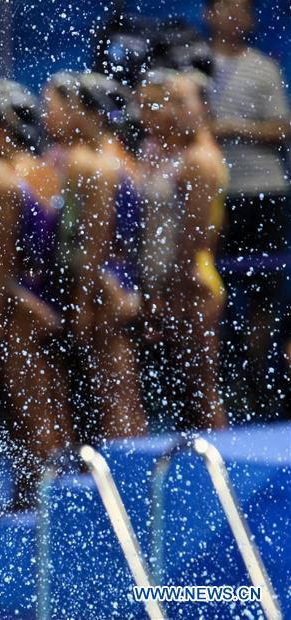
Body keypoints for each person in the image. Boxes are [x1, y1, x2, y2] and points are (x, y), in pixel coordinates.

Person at [0, 79, 73, 506]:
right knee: (53, 397)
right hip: (49, 296)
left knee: (26, 402)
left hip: (18, 304)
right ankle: (62, 491)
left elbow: (0, 265)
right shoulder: (51, 169)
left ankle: (38, 498)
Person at [43, 71, 147, 442]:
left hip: (107, 283)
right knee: (118, 385)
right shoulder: (121, 157)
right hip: (120, 279)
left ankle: (125, 476)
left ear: (83, 110)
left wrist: (85, 299)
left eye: (56, 107)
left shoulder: (97, 164)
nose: (48, 116)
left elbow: (95, 244)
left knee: (115, 389)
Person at [204, 0, 290, 416]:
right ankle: (224, 379)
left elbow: (282, 129)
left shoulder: (263, 68)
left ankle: (258, 377)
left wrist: (234, 128)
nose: (238, 17)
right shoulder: (193, 63)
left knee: (263, 293)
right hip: (210, 194)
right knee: (210, 288)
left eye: (244, 9)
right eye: (228, 8)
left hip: (261, 192)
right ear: (209, 13)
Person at [137, 69, 230, 430]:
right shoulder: (173, 154)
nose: (171, 110)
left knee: (201, 387)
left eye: (180, 101)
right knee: (186, 386)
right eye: (168, 102)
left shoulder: (201, 160)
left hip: (193, 279)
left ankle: (220, 472)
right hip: (174, 278)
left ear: (203, 105)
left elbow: (194, 237)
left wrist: (171, 287)